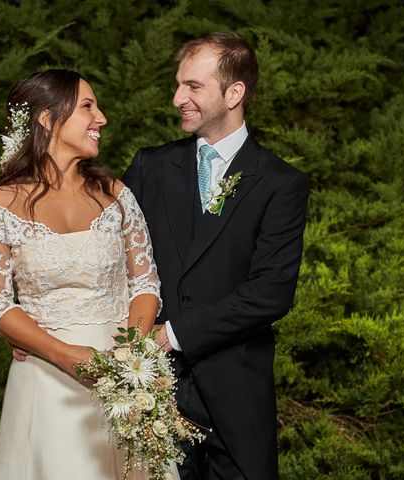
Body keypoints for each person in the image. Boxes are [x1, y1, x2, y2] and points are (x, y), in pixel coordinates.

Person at [0, 69, 176, 479]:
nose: (101, 118)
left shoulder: (116, 195)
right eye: (87, 107)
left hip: (124, 377)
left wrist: (130, 356)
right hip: (47, 380)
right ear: (47, 119)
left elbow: (145, 281)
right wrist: (66, 357)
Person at [122, 32, 309, 480]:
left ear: (234, 93)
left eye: (192, 86)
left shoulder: (280, 183)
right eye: (178, 84)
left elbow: (271, 293)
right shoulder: (150, 166)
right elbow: (114, 261)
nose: (177, 98)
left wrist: (174, 333)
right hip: (153, 389)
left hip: (235, 388)